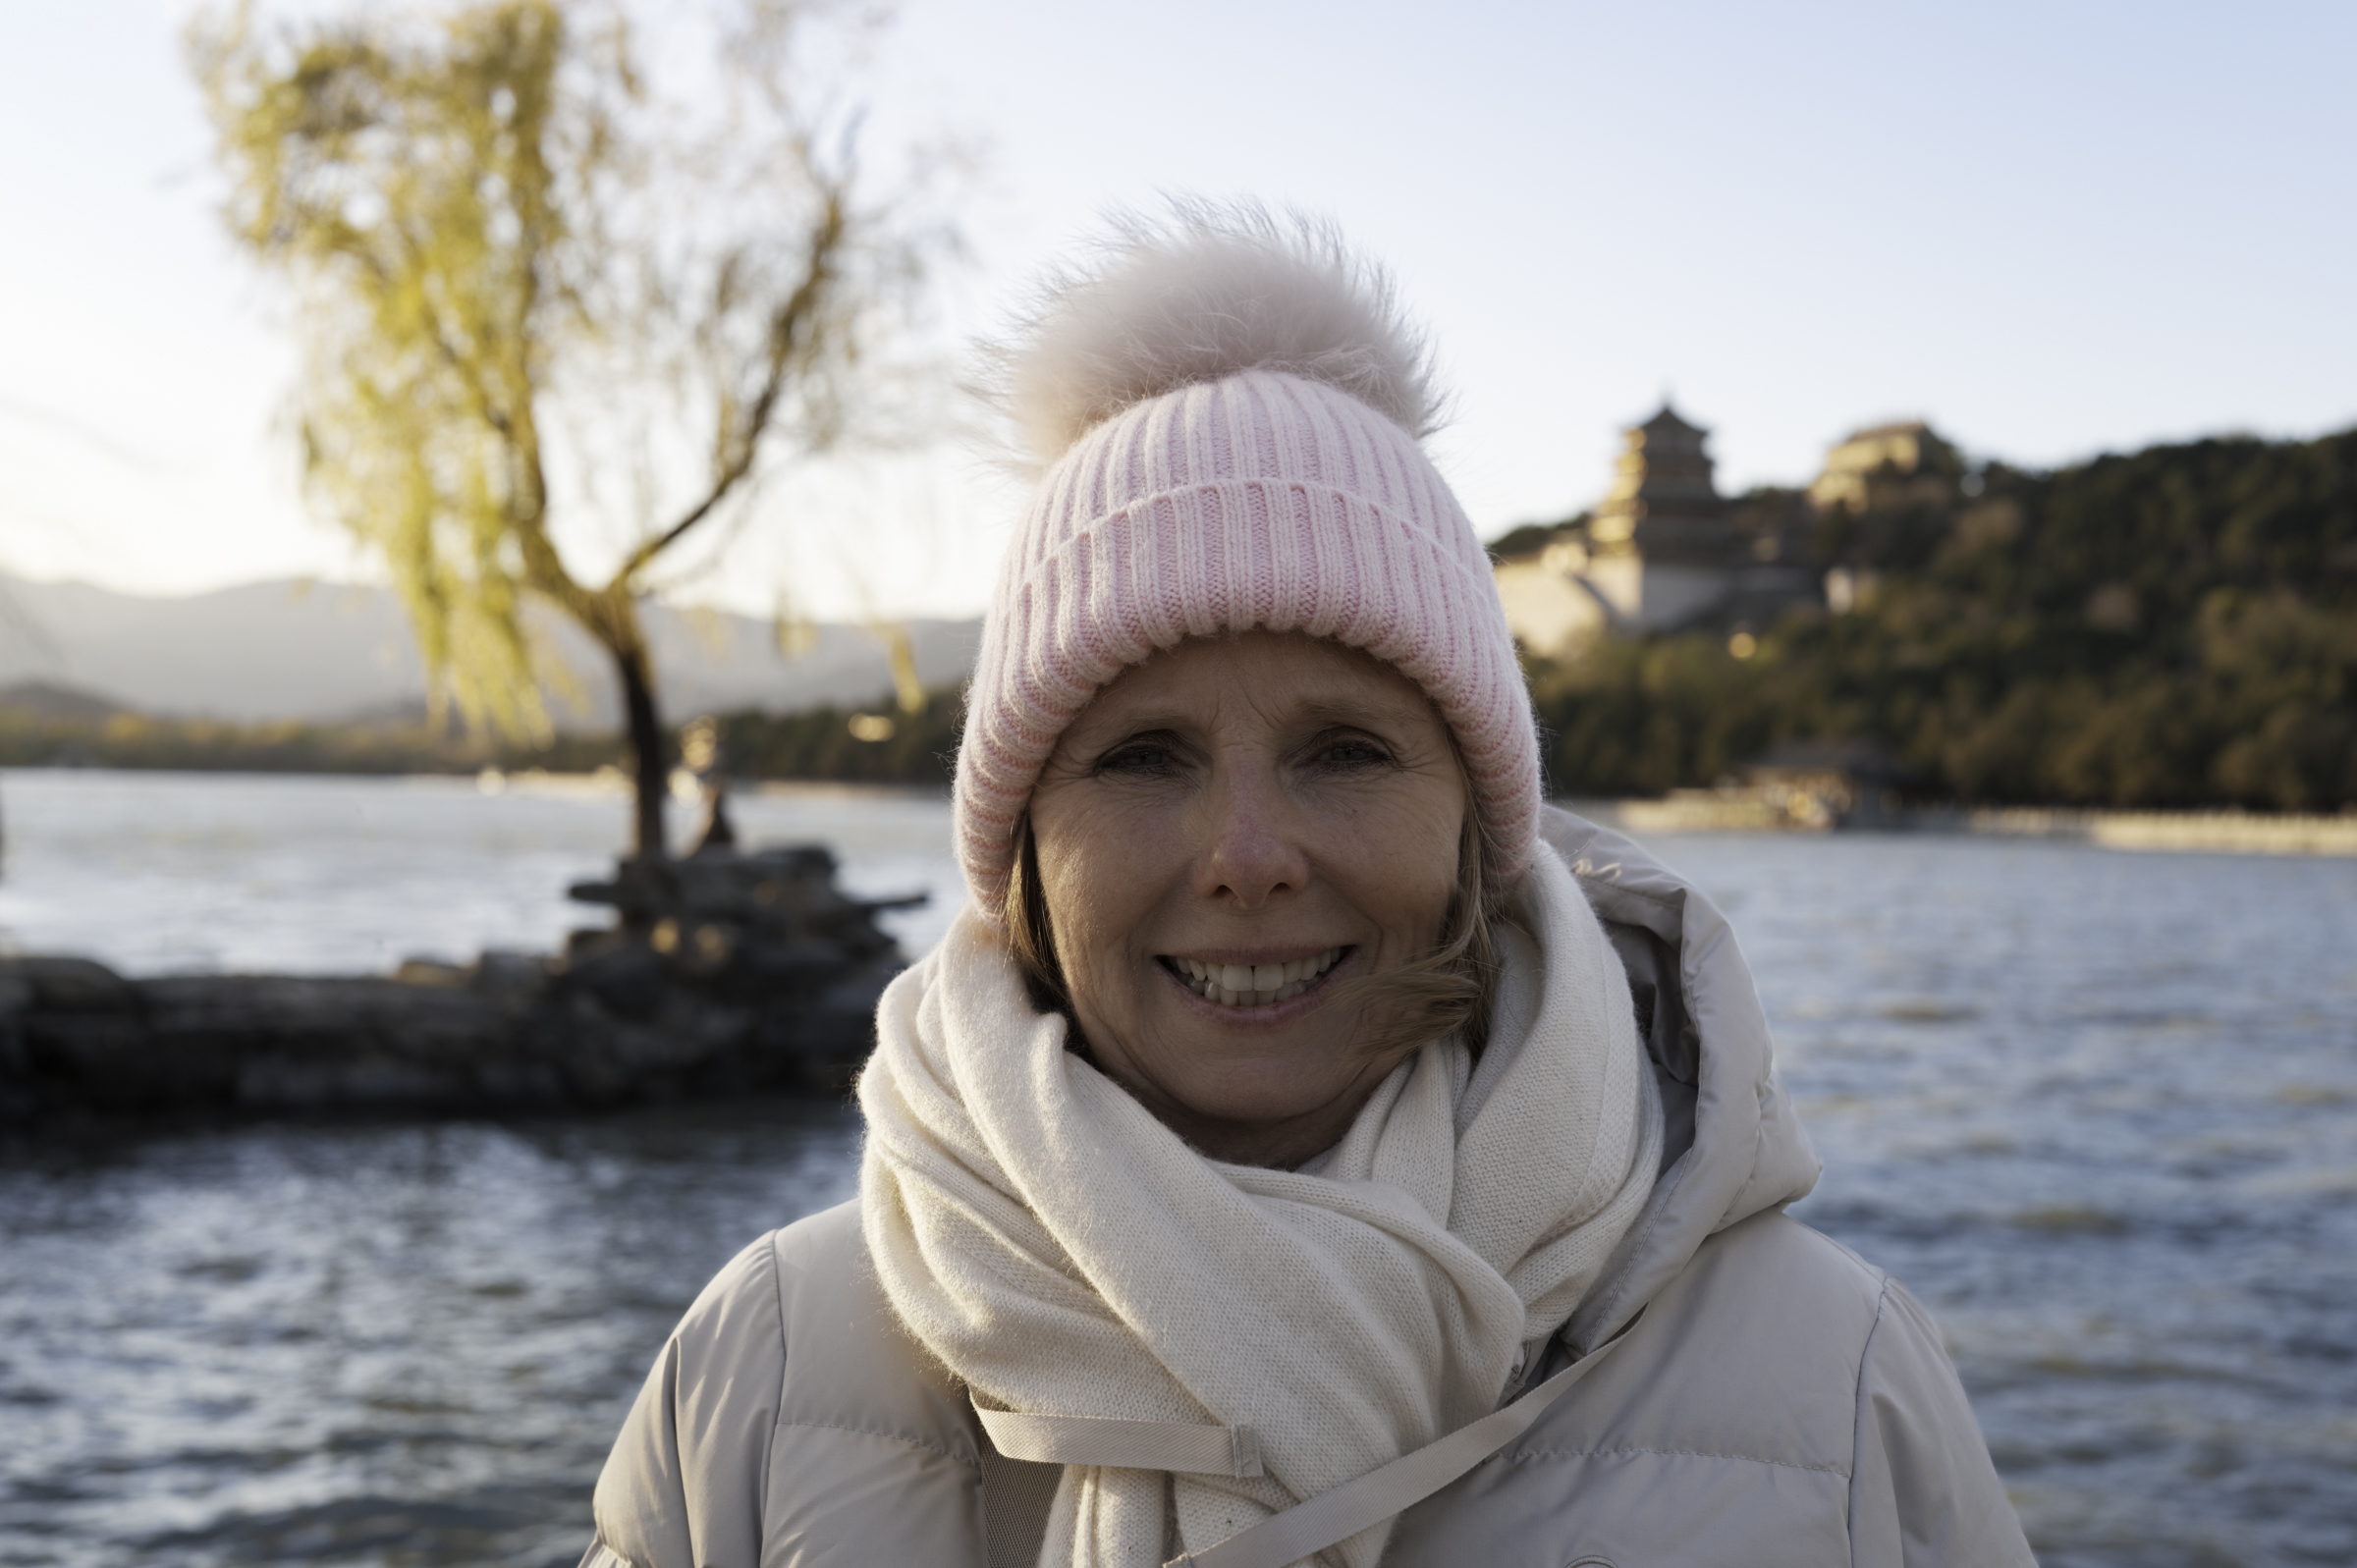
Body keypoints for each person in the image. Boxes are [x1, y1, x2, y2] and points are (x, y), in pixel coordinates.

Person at [578, 205, 2035, 1568]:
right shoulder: (769, 1364)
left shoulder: (1835, 1386)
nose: (1249, 856)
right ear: (1021, 848)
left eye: (1346, 751)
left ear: (1480, 829)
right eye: (1143, 757)